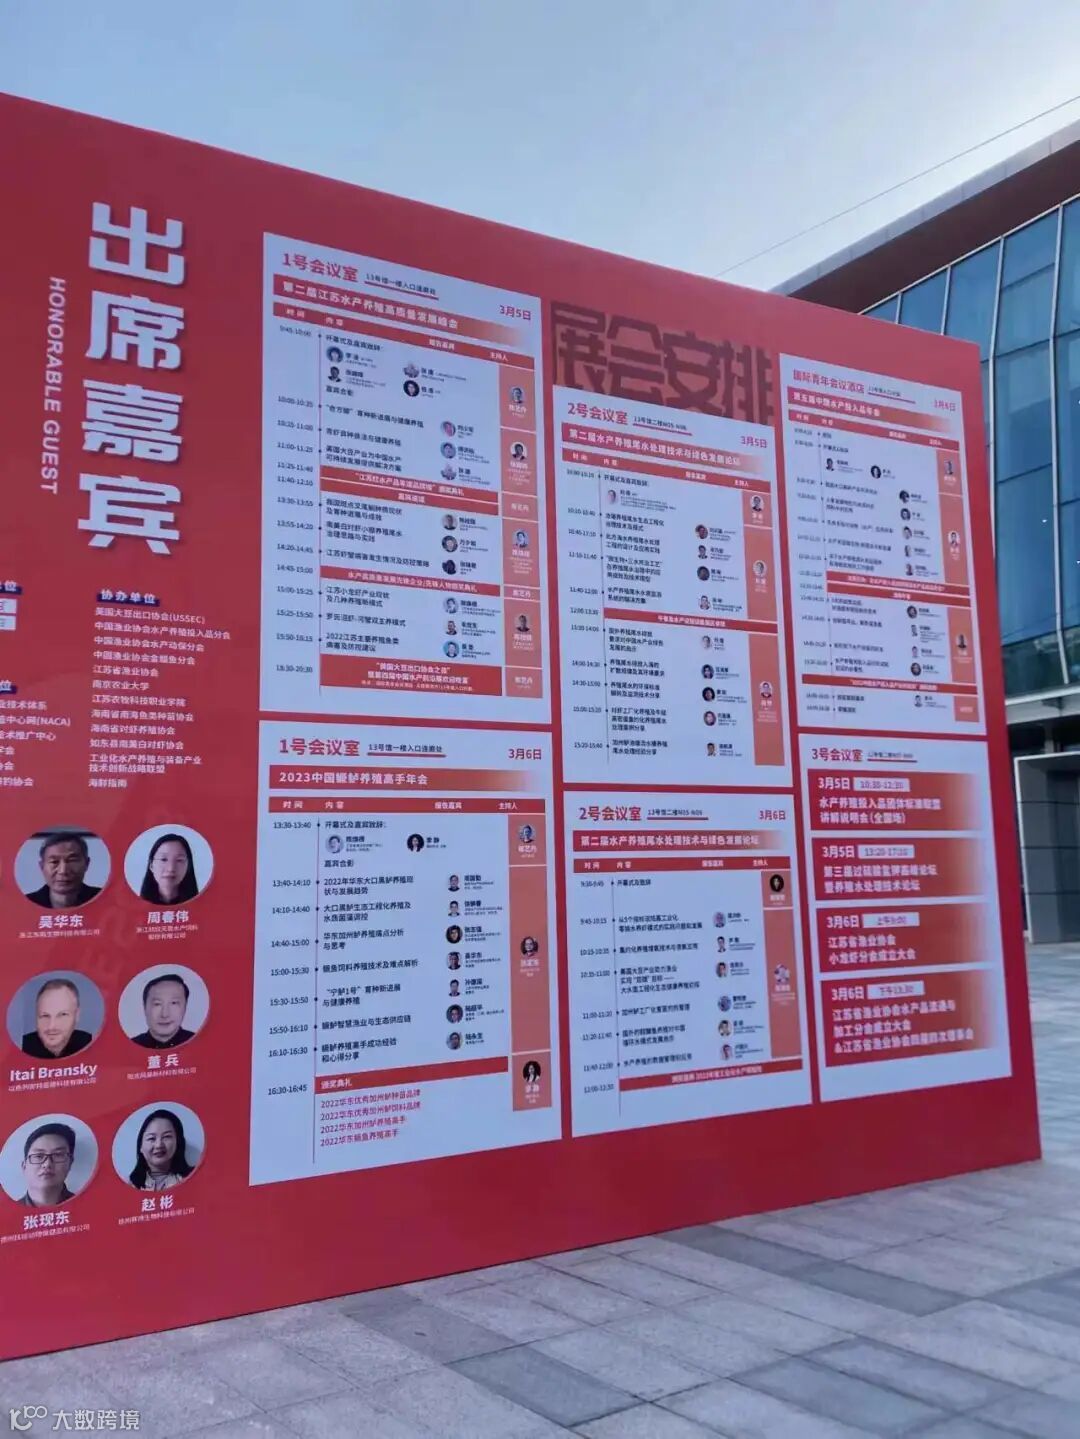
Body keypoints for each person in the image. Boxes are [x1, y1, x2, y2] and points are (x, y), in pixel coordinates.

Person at [25, 833, 101, 909]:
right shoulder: (25, 905)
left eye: (72, 861)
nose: (63, 871)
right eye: (54, 862)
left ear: (87, 864)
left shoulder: (104, 900)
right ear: (42, 867)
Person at [21, 979, 92, 1059]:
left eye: (62, 1015)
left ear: (77, 1015)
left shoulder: (90, 1043)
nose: (51, 1026)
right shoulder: (21, 1045)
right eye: (45, 1016)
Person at [128, 1109, 195, 1192]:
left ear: (178, 1142)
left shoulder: (194, 1179)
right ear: (140, 1146)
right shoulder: (129, 1186)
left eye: (166, 1136)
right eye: (151, 1138)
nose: (159, 1145)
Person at [19, 1122, 77, 1207]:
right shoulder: (5, 1212)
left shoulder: (90, 1207)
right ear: (24, 1166)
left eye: (58, 1155)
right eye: (39, 1156)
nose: (47, 1164)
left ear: (70, 1163)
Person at [131, 973, 196, 1050]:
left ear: (185, 1007)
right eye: (157, 1004)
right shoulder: (129, 1047)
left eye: (174, 1003)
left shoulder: (200, 1043)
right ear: (145, 1007)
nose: (165, 1014)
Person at [139, 832, 199, 906]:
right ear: (151, 865)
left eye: (179, 860)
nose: (171, 868)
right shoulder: (135, 907)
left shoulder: (202, 907)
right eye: (163, 859)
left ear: (188, 866)